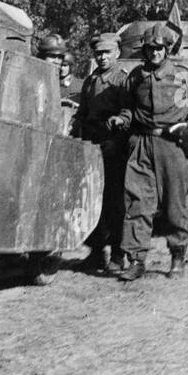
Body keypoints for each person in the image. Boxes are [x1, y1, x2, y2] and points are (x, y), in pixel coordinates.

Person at [108, 23, 188, 281]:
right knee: (137, 201)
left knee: (175, 203)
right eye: (150, 48)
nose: (154, 52)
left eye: (159, 48)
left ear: (167, 49)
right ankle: (137, 260)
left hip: (173, 146)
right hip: (141, 145)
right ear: (144, 50)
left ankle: (177, 256)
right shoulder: (135, 77)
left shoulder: (182, 75)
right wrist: (122, 119)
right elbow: (128, 108)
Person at [71, 32, 130, 273]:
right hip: (91, 145)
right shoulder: (90, 81)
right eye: (98, 53)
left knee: (114, 202)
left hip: (114, 147)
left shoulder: (122, 80)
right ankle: (96, 252)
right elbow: (82, 113)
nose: (102, 57)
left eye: (107, 52)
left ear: (117, 53)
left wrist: (117, 131)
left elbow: (128, 112)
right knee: (90, 200)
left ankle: (117, 254)